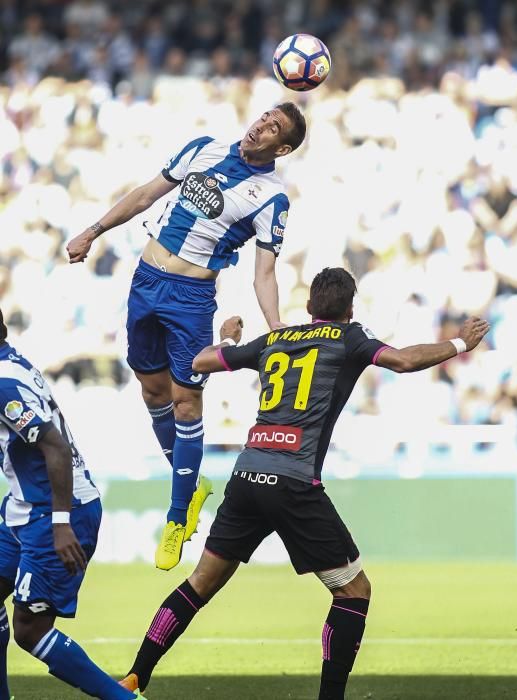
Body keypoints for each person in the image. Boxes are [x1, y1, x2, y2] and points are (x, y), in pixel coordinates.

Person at [118, 267, 490, 699]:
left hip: (247, 474)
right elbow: (404, 361)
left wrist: (230, 340)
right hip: (293, 482)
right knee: (354, 591)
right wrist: (462, 341)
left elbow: (200, 362)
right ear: (350, 310)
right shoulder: (351, 338)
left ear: (310, 306)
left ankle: (134, 678)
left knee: (200, 582)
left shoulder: (277, 339)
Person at [66, 103, 306, 571]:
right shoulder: (204, 148)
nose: (261, 124)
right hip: (145, 281)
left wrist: (276, 329)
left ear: (283, 148)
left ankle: (178, 518)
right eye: (265, 116)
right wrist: (94, 230)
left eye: (274, 127)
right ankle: (190, 484)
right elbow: (144, 196)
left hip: (191, 297)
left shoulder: (270, 198)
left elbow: (264, 272)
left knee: (185, 402)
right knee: (150, 388)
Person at [0, 309, 145, 699]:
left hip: (56, 511)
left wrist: (61, 523)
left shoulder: (3, 383)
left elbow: (55, 447)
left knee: (30, 631)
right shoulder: (11, 360)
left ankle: (123, 699)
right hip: (23, 506)